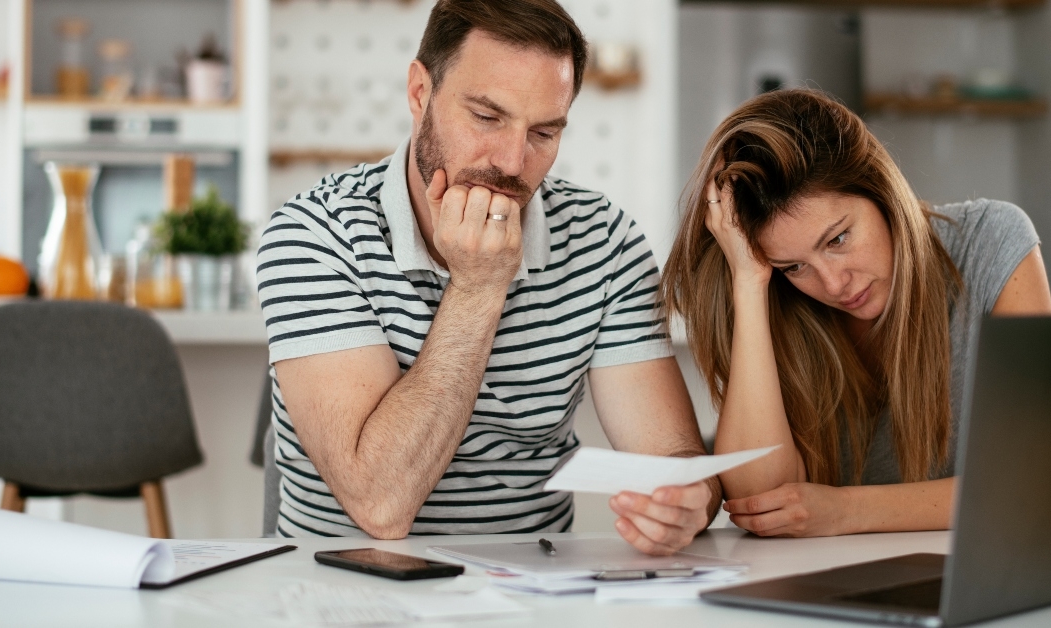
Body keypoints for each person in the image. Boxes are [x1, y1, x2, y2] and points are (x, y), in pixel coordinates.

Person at [256, 0, 720, 554]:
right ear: (419, 93)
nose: (511, 160)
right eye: (486, 117)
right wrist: (478, 286)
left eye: (544, 132)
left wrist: (687, 499)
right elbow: (380, 503)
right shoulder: (313, 235)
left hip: (531, 591)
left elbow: (672, 457)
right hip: (344, 588)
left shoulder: (605, 240)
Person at [662, 89, 1051, 537]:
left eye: (838, 239)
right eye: (795, 266)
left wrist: (847, 510)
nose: (832, 284)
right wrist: (750, 281)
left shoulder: (991, 243)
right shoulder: (775, 298)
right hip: (830, 587)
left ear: (880, 189)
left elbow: (1033, 482)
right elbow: (762, 499)